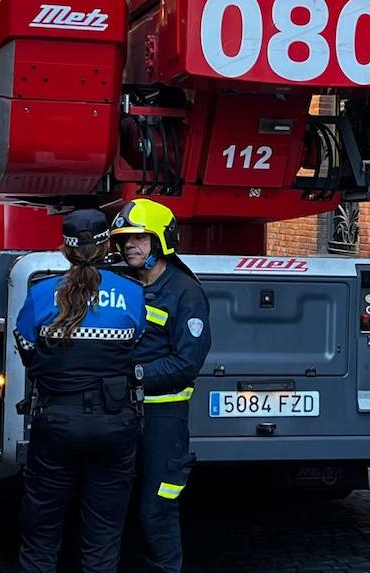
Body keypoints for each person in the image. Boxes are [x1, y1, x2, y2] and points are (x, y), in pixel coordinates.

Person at [15, 209, 146, 573]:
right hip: (115, 424)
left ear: (65, 249)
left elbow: (27, 349)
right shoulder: (132, 294)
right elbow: (134, 345)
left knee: (40, 533)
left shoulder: (41, 294)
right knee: (103, 535)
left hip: (56, 422)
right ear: (107, 247)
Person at [109, 199, 212, 573]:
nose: (130, 246)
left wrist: (133, 375)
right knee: (111, 506)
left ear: (161, 241)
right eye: (125, 239)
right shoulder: (122, 286)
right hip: (121, 412)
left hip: (162, 417)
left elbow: (187, 363)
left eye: (140, 238)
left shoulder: (186, 292)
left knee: (156, 509)